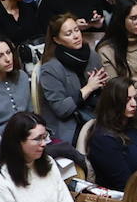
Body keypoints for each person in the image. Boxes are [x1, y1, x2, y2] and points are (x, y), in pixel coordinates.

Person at [37, 13, 107, 145]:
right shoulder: (50, 69)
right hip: (70, 124)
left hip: (95, 113)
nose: (76, 36)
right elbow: (62, 109)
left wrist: (102, 86)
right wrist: (89, 88)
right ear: (57, 40)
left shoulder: (91, 55)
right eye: (68, 33)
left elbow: (101, 91)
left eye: (76, 30)